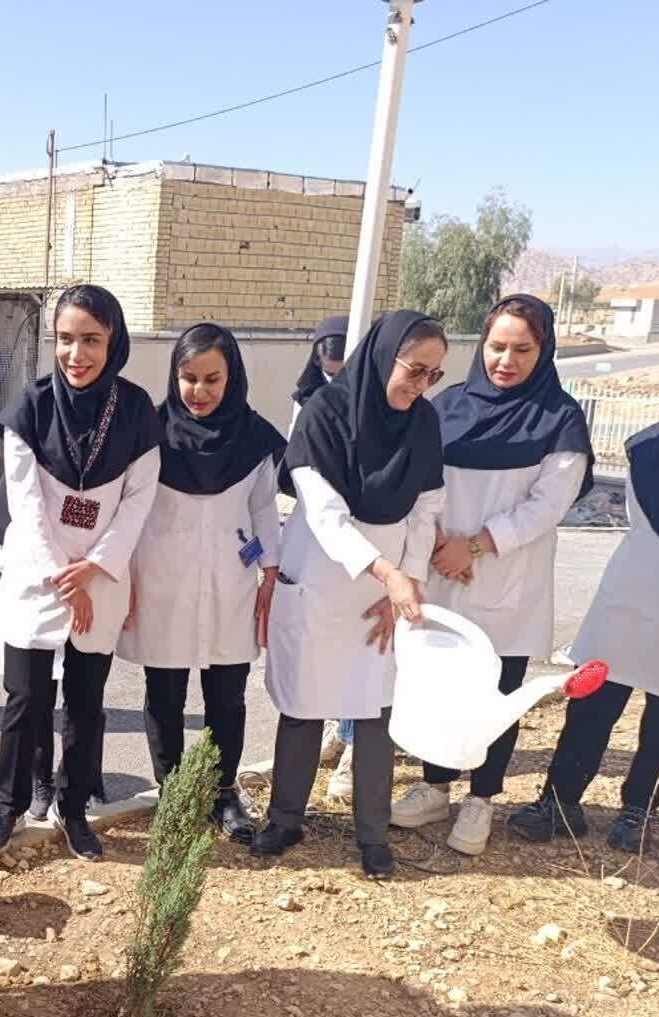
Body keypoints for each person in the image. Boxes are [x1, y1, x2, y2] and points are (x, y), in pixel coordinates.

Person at [509, 346, 659, 852]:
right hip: (627, 595)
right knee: (591, 704)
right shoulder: (644, 449)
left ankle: (639, 809)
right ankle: (559, 801)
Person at [390, 295, 594, 857]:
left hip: (507, 574)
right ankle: (434, 786)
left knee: (498, 691)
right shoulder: (449, 405)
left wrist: (475, 546)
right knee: (440, 682)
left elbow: (547, 504)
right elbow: (421, 478)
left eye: (522, 350)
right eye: (496, 346)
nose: (506, 360)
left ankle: (481, 797)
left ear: (544, 350)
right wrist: (435, 540)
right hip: (441, 565)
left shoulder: (559, 419)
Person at [253, 311, 448, 878]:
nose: (421, 386)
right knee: (302, 705)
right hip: (319, 576)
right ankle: (285, 819)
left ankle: (372, 834)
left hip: (380, 594)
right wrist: (387, 572)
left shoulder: (423, 423)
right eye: (415, 370)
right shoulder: (323, 414)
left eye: (433, 376)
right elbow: (327, 514)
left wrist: (401, 584)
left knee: (375, 712)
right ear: (385, 357)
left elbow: (425, 510)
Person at [0, 283, 160, 860]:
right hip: (38, 577)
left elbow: (137, 503)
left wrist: (93, 571)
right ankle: (5, 810)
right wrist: (65, 578)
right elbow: (26, 507)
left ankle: (74, 808)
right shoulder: (29, 409)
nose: (76, 354)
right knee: (24, 702)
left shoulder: (135, 411)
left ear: (114, 342)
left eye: (91, 340)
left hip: (101, 580)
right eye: (65, 339)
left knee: (84, 704)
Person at [119, 323, 284, 843]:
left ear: (231, 377)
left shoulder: (254, 438)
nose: (200, 391)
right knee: (164, 694)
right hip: (162, 578)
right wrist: (122, 574)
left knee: (227, 696)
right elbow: (130, 507)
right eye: (188, 378)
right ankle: (171, 791)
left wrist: (269, 571)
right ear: (174, 375)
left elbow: (262, 509)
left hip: (230, 582)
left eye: (213, 378)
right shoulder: (149, 432)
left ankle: (221, 792)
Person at [0, 467, 109, 818]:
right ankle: (41, 781)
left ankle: (85, 782)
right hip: (38, 598)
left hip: (90, 596)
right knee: (35, 701)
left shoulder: (97, 467)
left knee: (86, 702)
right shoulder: (26, 467)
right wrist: (57, 581)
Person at [291, 317, 360, 801]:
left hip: (364, 531)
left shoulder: (375, 404)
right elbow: (294, 462)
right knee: (321, 644)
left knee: (361, 648)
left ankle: (354, 747)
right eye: (327, 370)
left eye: (343, 371)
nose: (335, 380)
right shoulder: (307, 399)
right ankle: (335, 730)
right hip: (317, 530)